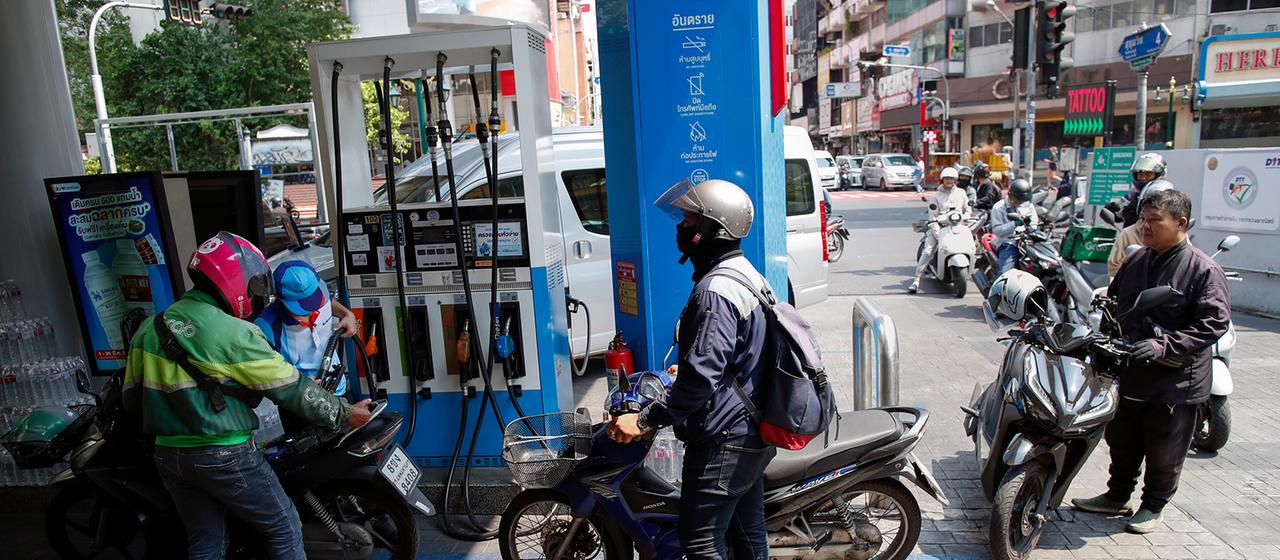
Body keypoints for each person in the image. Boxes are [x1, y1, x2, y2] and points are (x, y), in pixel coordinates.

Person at [123, 232, 373, 559]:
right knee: (284, 527)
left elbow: (131, 400)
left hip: (169, 455)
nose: (255, 292)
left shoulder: (150, 328)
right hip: (225, 454)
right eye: (252, 283)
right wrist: (344, 412)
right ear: (234, 282)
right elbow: (292, 389)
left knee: (206, 540)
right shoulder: (234, 332)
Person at [609, 179, 774, 559]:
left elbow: (701, 380)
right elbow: (731, 358)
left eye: (688, 220)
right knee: (748, 537)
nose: (681, 227)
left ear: (710, 230)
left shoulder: (715, 291)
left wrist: (645, 419)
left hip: (724, 438)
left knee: (699, 542)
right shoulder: (744, 274)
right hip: (748, 429)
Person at [1072, 188, 1230, 534]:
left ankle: (1153, 505)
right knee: (1122, 439)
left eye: (1154, 220)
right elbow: (1115, 306)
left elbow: (1214, 323)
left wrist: (1165, 346)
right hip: (1130, 372)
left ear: (1181, 223)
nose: (1144, 226)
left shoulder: (1203, 269)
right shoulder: (1136, 260)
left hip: (1174, 381)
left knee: (1165, 449)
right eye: (1142, 219)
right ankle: (1117, 496)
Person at [254, 260, 358, 398]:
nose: (311, 310)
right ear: (278, 297)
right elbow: (266, 376)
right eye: (301, 307)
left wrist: (347, 314)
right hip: (303, 403)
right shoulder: (266, 327)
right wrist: (298, 386)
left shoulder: (320, 293)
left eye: (312, 300)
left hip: (338, 386)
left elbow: (328, 302)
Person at [910, 167, 971, 294]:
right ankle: (916, 279)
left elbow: (968, 210)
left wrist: (967, 218)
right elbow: (932, 217)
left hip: (958, 227)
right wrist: (937, 234)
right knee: (928, 251)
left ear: (955, 180)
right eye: (947, 179)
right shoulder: (936, 196)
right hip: (940, 228)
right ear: (942, 180)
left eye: (952, 179)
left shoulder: (961, 193)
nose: (949, 181)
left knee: (972, 246)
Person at [1107, 180, 1174, 277]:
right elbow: (1114, 268)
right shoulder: (1129, 234)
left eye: (1157, 219)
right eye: (1145, 218)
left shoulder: (1177, 236)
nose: (1147, 226)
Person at [988, 179, 1039, 274]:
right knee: (1006, 273)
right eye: (1018, 200)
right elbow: (997, 230)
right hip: (1008, 243)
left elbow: (1034, 222)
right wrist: (1014, 224)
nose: (1020, 203)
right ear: (1010, 195)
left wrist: (1032, 227)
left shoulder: (1027, 204)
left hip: (1027, 242)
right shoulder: (999, 207)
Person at [1120, 153, 1167, 227]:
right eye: (1141, 174)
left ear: (1159, 174)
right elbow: (1118, 214)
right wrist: (1114, 208)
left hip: (1155, 234)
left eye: (1148, 174)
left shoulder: (1164, 192)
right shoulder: (1132, 194)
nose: (1143, 178)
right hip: (1133, 234)